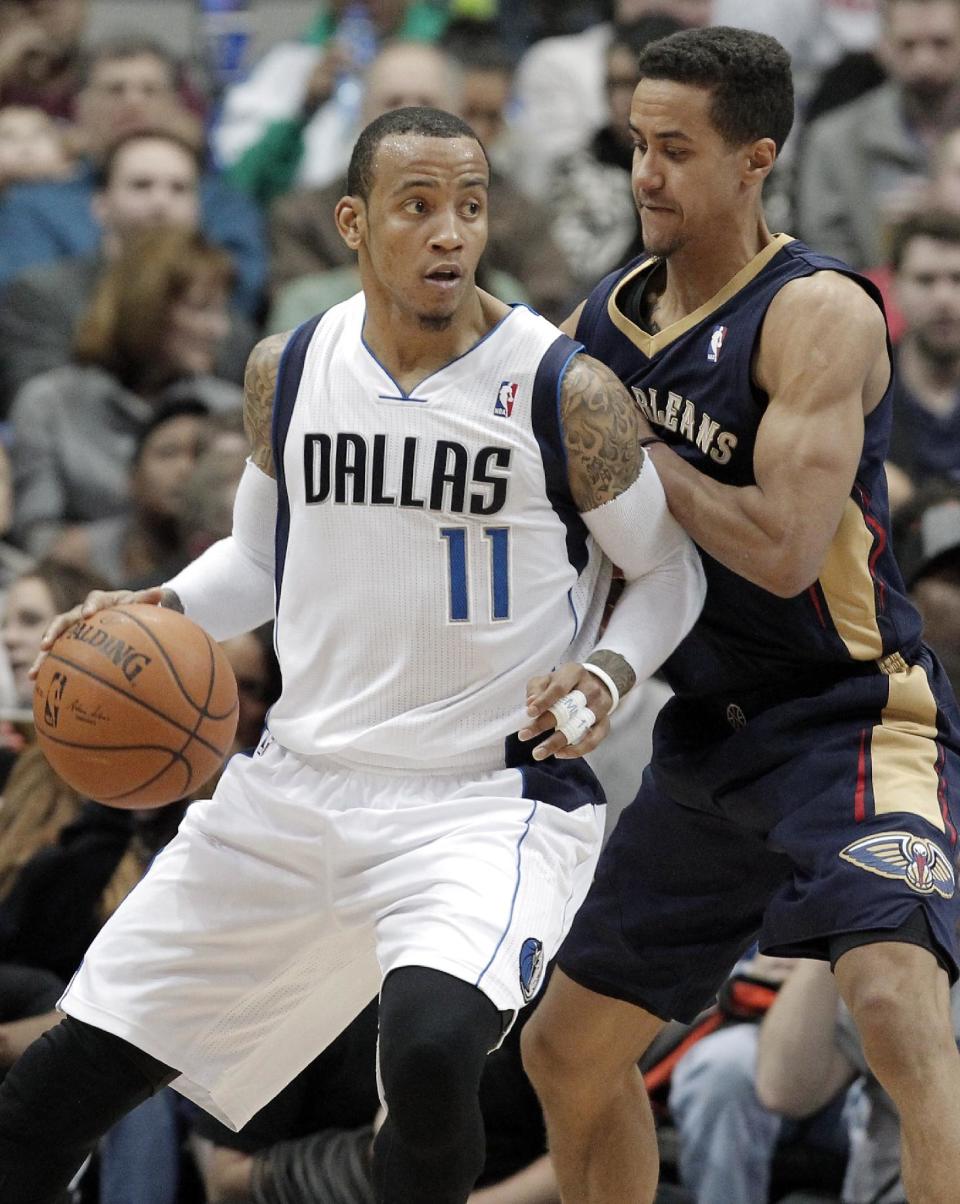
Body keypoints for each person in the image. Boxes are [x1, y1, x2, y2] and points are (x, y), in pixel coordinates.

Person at [0, 105, 705, 1204]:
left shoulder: (564, 387)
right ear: (352, 221)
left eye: (468, 207)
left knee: (427, 1061)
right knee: (47, 1098)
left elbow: (669, 572)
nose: (449, 234)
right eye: (417, 207)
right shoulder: (291, 367)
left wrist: (607, 676)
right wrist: (160, 602)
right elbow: (259, 559)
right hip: (292, 792)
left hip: (483, 803)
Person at [519, 26, 960, 1204]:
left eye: (675, 149)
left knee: (892, 998)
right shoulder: (599, 326)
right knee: (565, 1049)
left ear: (755, 158)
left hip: (851, 714)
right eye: (635, 144)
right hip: (708, 734)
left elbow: (776, 548)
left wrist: (631, 439)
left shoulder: (820, 312)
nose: (645, 174)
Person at [10, 227, 241, 555]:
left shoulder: (229, 409)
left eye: (222, 310)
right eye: (202, 309)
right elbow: (36, 538)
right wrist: (126, 542)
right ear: (147, 309)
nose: (220, 330)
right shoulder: (48, 404)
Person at [0, 35, 266, 315]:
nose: (133, 102)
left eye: (150, 90)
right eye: (115, 90)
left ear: (176, 106)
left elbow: (239, 297)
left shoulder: (222, 203)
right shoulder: (34, 206)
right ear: (80, 106)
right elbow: (25, 302)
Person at [0, 127, 257, 412]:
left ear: (198, 210)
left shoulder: (223, 316)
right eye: (141, 185)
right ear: (101, 205)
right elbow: (34, 407)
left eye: (179, 188)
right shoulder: (41, 294)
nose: (161, 203)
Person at [798, 0, 960, 269]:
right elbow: (825, 257)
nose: (925, 60)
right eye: (907, 45)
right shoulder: (834, 140)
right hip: (872, 301)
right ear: (882, 48)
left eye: (941, 43)